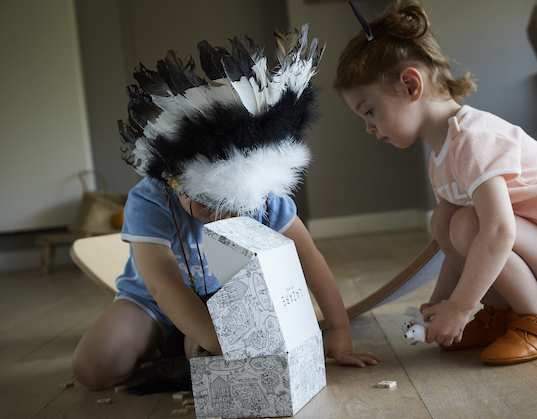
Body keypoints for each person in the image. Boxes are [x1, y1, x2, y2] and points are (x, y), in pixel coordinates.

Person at [73, 26, 379, 391]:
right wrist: (221, 343)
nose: (226, 216)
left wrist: (339, 330)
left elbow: (308, 256)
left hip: (229, 295)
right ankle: (164, 344)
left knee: (211, 353)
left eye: (236, 206)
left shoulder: (264, 196)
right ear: (176, 180)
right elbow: (161, 282)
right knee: (93, 369)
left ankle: (185, 347)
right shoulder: (151, 199)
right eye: (210, 203)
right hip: (151, 303)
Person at [334, 0, 537, 365]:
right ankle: (503, 317)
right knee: (445, 223)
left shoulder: (475, 139)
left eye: (369, 110)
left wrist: (461, 309)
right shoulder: (441, 156)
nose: (369, 126)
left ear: (410, 85)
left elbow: (497, 233)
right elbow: (451, 246)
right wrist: (441, 302)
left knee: (469, 223)